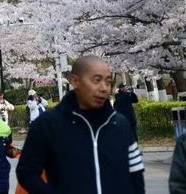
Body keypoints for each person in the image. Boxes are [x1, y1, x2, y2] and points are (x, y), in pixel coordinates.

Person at [16, 55, 145, 194]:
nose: (104, 88)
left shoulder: (120, 124)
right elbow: (26, 173)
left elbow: (135, 173)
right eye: (96, 80)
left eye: (108, 82)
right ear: (75, 81)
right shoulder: (47, 124)